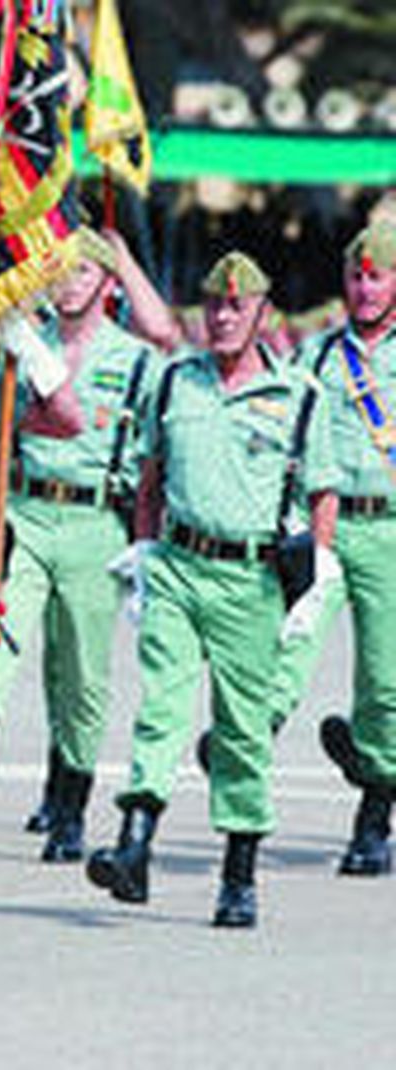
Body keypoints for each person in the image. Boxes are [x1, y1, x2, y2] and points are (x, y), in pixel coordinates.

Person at [87, 253, 339, 928]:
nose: (224, 316)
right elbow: (150, 478)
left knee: (241, 727)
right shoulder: (174, 383)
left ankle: (239, 873)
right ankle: (133, 844)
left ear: (262, 314)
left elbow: (322, 493)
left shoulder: (297, 397)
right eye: (214, 305)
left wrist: (314, 578)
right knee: (160, 708)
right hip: (178, 564)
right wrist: (142, 551)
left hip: (250, 579)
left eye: (238, 306)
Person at [0, 228, 172, 862]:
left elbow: (154, 464)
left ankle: (70, 804)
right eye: (61, 271)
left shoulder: (137, 362)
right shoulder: (21, 343)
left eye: (85, 272)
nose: (70, 282)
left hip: (92, 522)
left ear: (107, 284)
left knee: (81, 676)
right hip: (23, 508)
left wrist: (146, 546)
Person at [267, 221, 396, 877]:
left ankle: (375, 815)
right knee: (289, 642)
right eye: (356, 276)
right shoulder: (316, 356)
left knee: (384, 682)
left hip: (390, 531)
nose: (365, 288)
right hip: (323, 525)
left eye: (377, 276)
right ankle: (246, 743)